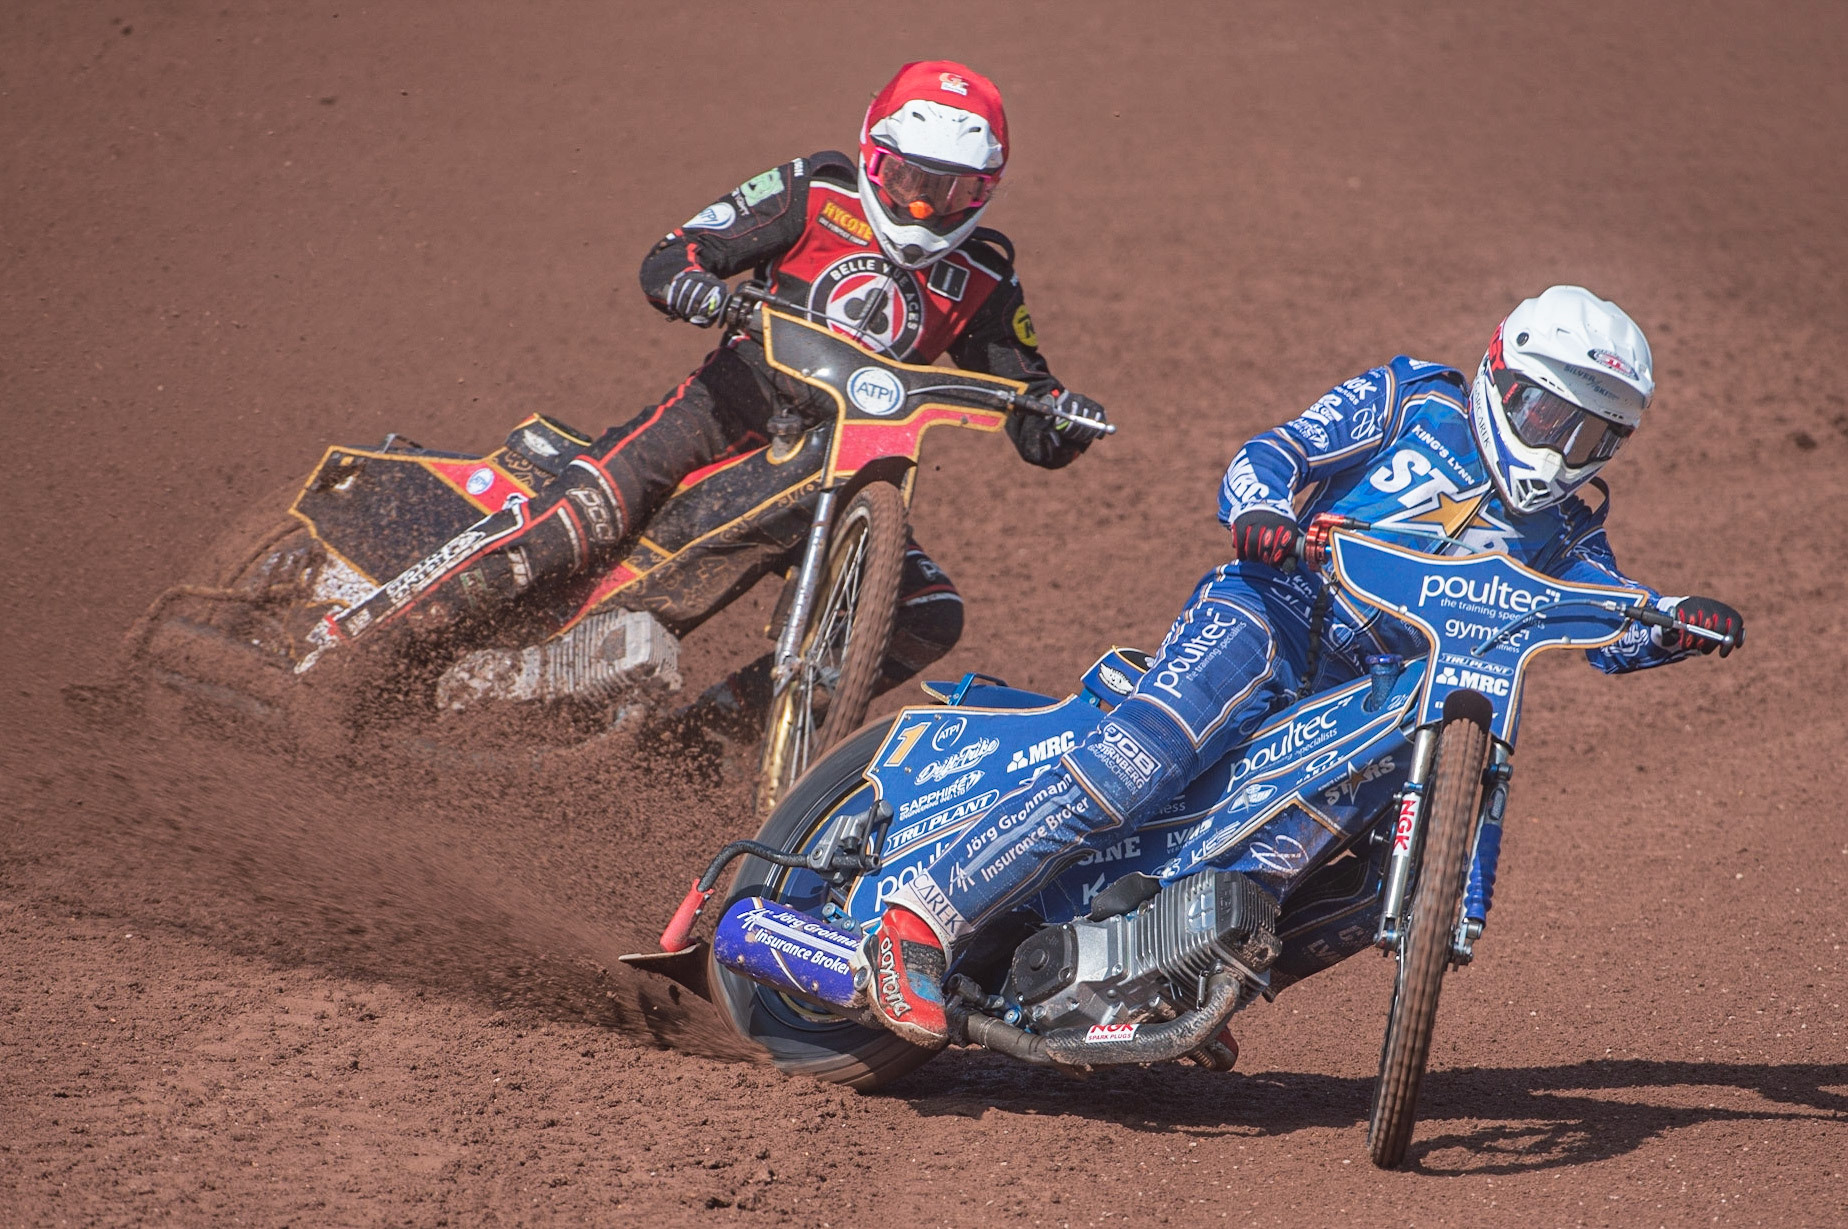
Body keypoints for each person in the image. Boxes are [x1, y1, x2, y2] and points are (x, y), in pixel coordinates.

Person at [865, 285, 1746, 1047]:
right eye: (1549, 415)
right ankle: (919, 917)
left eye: (1592, 435)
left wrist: (1673, 626)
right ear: (1499, 378)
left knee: (1373, 884)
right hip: (1276, 608)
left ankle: (1173, 977)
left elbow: (1613, 616)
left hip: (1387, 693)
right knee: (1134, 764)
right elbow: (1275, 452)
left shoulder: (1570, 530)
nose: (1560, 448)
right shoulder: (1414, 401)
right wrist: (1260, 509)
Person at [335, 60, 1108, 733]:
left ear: (986, 190)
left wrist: (1061, 420)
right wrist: (701, 292)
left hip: (848, 474)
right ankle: (364, 652)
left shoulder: (984, 277)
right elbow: (675, 255)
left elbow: (1029, 402)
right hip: (722, 409)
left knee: (927, 611)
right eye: (910, 182)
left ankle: (700, 746)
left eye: (951, 191)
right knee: (576, 522)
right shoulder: (815, 192)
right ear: (876, 158)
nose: (923, 208)